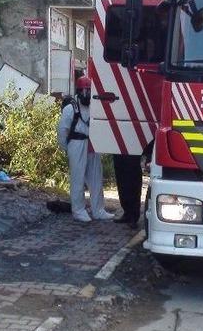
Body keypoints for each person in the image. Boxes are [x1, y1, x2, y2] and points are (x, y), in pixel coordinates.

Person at [57, 76, 114, 223]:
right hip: (76, 143)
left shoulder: (95, 106)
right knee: (77, 178)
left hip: (92, 143)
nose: (87, 94)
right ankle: (78, 210)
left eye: (89, 91)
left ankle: (98, 209)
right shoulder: (71, 108)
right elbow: (63, 130)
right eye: (85, 91)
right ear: (79, 91)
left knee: (96, 177)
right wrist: (66, 148)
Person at [112, 154, 143, 229]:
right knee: (121, 180)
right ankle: (127, 213)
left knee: (133, 181)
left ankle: (133, 216)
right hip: (119, 152)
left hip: (132, 152)